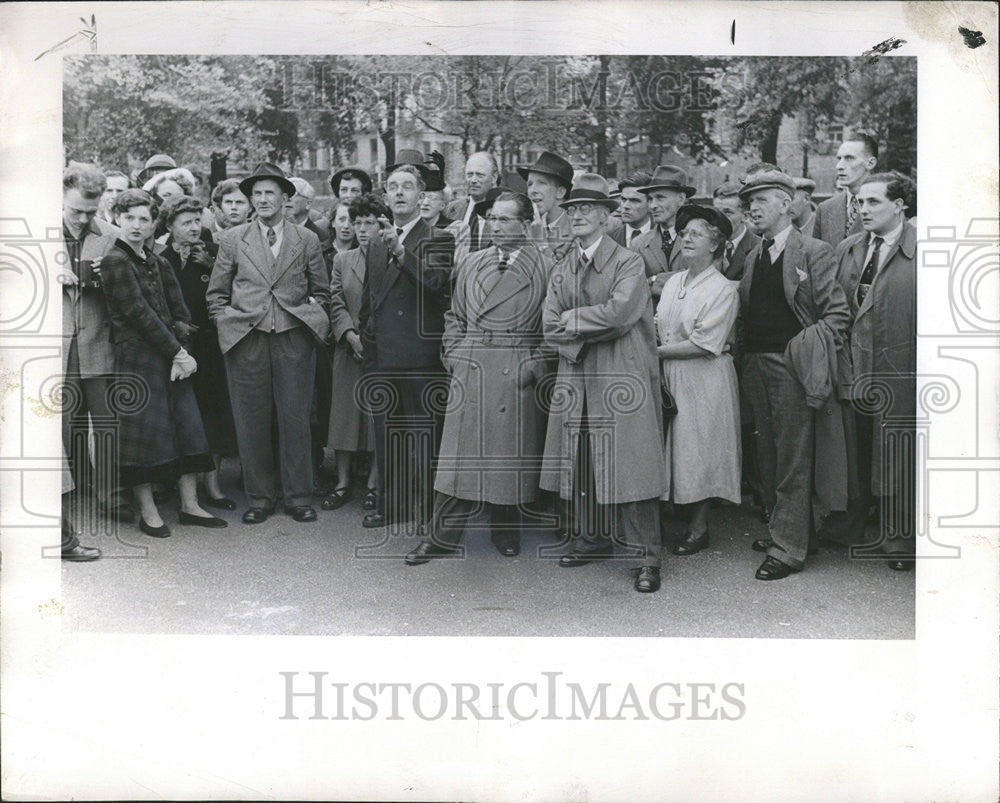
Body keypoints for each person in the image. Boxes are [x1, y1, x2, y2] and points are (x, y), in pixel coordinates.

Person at [404, 191, 553, 565]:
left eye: (505, 220)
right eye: (492, 219)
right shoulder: (471, 262)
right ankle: (442, 536)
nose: (495, 227)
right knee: (458, 460)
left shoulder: (547, 266)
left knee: (507, 458)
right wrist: (454, 354)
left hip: (514, 367)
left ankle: (506, 528)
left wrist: (534, 365)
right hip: (471, 365)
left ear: (526, 224)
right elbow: (454, 315)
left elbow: (554, 327)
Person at [540, 174, 666, 593]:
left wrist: (574, 321)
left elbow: (619, 314)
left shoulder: (628, 261)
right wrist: (578, 329)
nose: (577, 214)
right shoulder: (564, 264)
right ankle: (591, 538)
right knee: (582, 459)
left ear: (605, 215)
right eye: (572, 208)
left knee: (631, 462)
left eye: (586, 208)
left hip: (621, 372)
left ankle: (647, 556)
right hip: (576, 372)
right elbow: (547, 326)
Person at [736, 169, 852, 580]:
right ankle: (794, 533)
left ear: (786, 204)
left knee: (792, 460)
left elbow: (837, 315)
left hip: (791, 368)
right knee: (768, 457)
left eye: (761, 200)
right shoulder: (753, 256)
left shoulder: (814, 250)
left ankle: (788, 549)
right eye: (748, 201)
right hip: (755, 367)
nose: (752, 207)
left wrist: (800, 353)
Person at [206, 163, 331, 524]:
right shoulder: (233, 239)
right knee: (251, 420)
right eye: (256, 194)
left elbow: (321, 291)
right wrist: (228, 323)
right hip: (247, 339)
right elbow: (216, 293)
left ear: (285, 198)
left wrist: (310, 323)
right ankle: (259, 498)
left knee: (296, 419)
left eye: (269, 193)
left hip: (293, 338)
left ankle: (298, 497)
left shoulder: (306, 239)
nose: (262, 200)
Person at [99, 189, 224, 536]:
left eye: (144, 219)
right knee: (144, 436)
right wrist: (178, 354)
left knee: (188, 427)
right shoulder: (115, 261)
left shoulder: (159, 261)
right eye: (129, 218)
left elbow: (180, 312)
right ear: (116, 220)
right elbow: (139, 314)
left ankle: (190, 505)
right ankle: (149, 512)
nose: (137, 226)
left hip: (172, 359)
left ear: (154, 223)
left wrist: (181, 348)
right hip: (138, 359)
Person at [356, 163, 455, 532]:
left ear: (421, 196)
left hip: (421, 358)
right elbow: (369, 301)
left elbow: (435, 283)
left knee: (426, 440)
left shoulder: (439, 238)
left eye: (408, 187)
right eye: (393, 186)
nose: (399, 192)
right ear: (385, 197)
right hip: (383, 357)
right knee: (388, 436)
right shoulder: (376, 242)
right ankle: (392, 506)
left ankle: (429, 512)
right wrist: (369, 351)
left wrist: (400, 251)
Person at [835, 172, 917, 571]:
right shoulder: (850, 248)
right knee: (853, 448)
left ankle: (898, 537)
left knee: (897, 450)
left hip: (901, 366)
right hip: (855, 363)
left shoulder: (922, 249)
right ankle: (850, 524)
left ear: (900, 205)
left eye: (874, 202)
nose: (863, 209)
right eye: (861, 203)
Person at [655, 205, 741, 555]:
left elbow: (705, 343)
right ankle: (674, 513)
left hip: (704, 378)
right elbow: (660, 324)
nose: (686, 238)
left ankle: (699, 526)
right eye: (684, 232)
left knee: (701, 447)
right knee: (674, 446)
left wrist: (653, 353)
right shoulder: (675, 280)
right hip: (672, 374)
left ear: (715, 243)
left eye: (697, 233)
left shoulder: (722, 289)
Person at [60, 163, 135, 525]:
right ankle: (78, 486)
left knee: (106, 424)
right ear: (61, 196)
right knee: (66, 421)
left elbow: (129, 292)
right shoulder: (38, 233)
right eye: (75, 210)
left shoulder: (112, 235)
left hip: (99, 341)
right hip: (57, 346)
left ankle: (111, 495)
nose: (81, 218)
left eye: (90, 212)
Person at [156, 194, 239, 511]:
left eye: (196, 220)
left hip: (212, 345)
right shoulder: (161, 259)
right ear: (170, 226)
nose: (194, 227)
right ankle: (178, 485)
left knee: (215, 414)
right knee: (183, 418)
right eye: (186, 222)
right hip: (178, 348)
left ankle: (213, 485)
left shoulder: (212, 253)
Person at [322, 194, 385, 511]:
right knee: (344, 417)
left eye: (368, 223)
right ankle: (342, 481)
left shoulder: (390, 259)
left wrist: (370, 341)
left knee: (376, 417)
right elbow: (336, 301)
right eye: (357, 222)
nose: (361, 229)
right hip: (348, 350)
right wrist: (350, 335)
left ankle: (374, 482)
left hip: (381, 351)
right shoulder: (342, 260)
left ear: (381, 225)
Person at [634, 165, 696, 297]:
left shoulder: (700, 238)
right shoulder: (638, 244)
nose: (652, 206)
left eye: (660, 198)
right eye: (650, 199)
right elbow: (635, 288)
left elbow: (706, 279)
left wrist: (654, 280)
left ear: (681, 199)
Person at [812, 132, 879, 247]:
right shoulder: (825, 209)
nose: (839, 166)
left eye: (849, 158)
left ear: (870, 163)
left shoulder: (885, 206)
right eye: (839, 158)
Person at [519, 151, 574, 260]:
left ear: (560, 192)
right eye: (530, 184)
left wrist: (541, 243)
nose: (532, 190)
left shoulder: (577, 229)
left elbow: (563, 274)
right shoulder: (525, 227)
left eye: (541, 183)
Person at [444, 151, 499, 252]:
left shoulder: (502, 212)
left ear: (494, 177)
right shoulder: (451, 209)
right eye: (469, 174)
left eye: (480, 175)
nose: (473, 180)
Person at [712, 182, 759, 281]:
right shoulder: (706, 245)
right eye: (716, 212)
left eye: (727, 212)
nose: (719, 219)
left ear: (745, 216)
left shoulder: (759, 248)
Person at [609, 170, 653, 249]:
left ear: (650, 204)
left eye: (634, 200)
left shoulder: (663, 236)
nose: (625, 206)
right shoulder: (610, 239)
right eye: (623, 199)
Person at [286, 177, 332, 252]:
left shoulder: (320, 237)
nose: (288, 199)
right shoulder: (277, 232)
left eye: (294, 194)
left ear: (308, 203)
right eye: (286, 194)